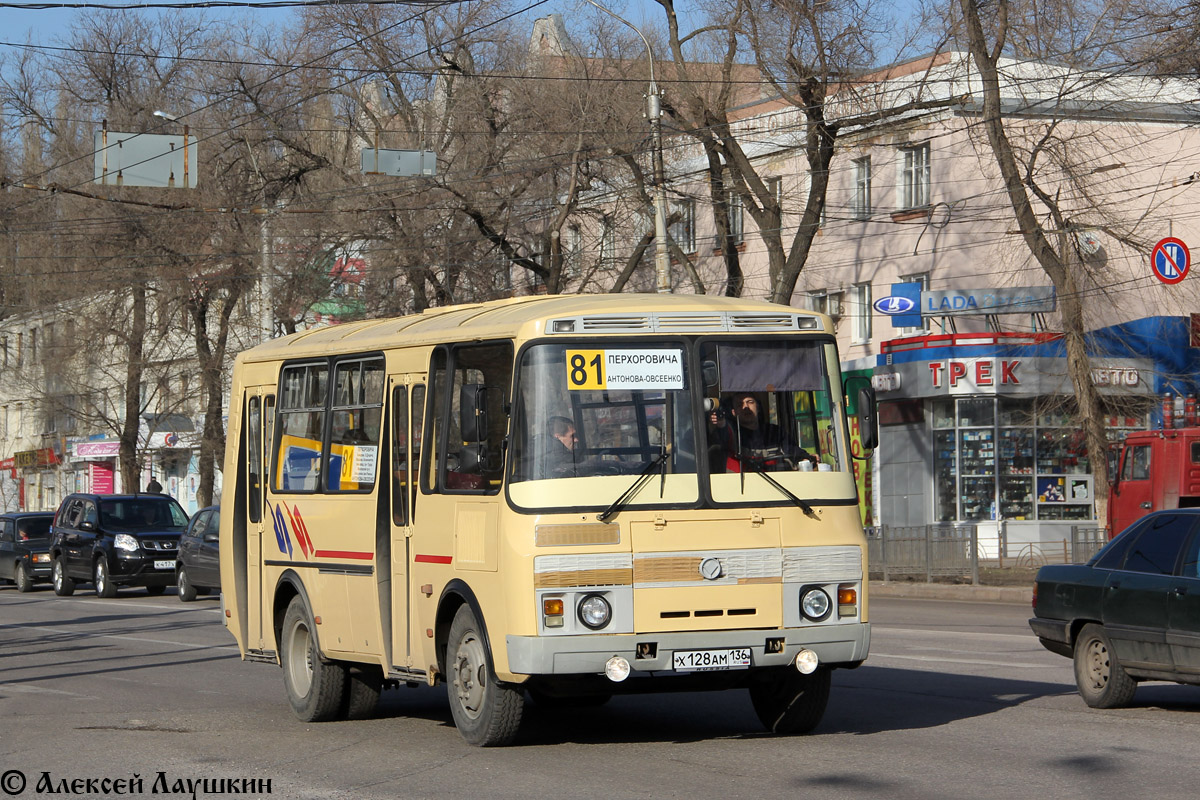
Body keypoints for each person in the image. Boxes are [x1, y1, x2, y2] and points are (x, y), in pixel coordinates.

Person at [709, 392, 817, 472]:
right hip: (739, 490)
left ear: (758, 407)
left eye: (750, 402)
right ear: (733, 412)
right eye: (739, 404)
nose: (745, 407)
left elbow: (792, 451)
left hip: (776, 487)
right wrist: (721, 423)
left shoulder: (774, 432)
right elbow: (723, 436)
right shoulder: (730, 432)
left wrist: (807, 457)